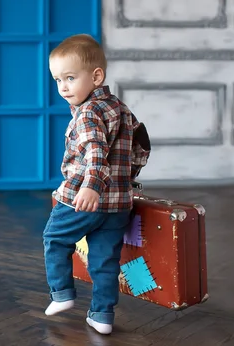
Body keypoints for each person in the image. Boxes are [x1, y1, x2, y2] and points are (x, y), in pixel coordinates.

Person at [42, 34, 151, 335]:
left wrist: (92, 185)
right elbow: (141, 146)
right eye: (57, 80)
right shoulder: (120, 108)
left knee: (55, 238)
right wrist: (127, 180)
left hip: (84, 197)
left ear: (96, 76)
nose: (63, 87)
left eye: (70, 78)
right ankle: (102, 315)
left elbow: (94, 151)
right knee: (105, 260)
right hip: (118, 205)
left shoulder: (88, 113)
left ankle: (62, 293)